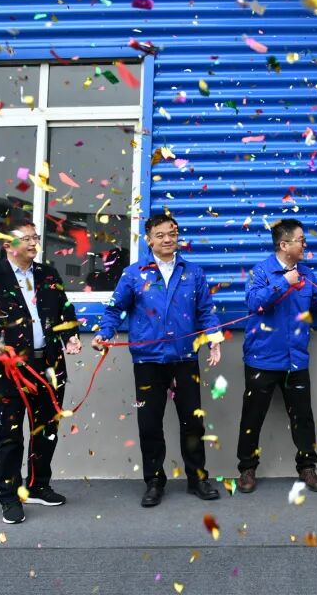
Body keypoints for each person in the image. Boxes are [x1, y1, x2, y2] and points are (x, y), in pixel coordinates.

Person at [92, 214, 222, 507]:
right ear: (148, 239)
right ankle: (154, 481)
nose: (167, 239)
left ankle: (198, 478)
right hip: (148, 361)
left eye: (172, 234)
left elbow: (206, 311)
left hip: (185, 358)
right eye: (160, 235)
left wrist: (214, 338)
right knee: (150, 424)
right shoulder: (133, 274)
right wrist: (104, 333)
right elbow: (114, 310)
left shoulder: (193, 273)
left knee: (193, 423)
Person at [0, 220, 82, 525]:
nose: (32, 242)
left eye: (34, 237)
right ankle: (9, 497)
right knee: (10, 436)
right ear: (7, 245)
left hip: (49, 365)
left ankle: (38, 486)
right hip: (11, 369)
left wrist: (71, 336)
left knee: (46, 430)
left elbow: (65, 310)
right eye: (26, 238)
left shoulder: (48, 274)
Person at [236, 218, 317, 494]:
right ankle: (247, 468)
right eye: (300, 240)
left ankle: (307, 467)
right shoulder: (261, 272)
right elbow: (254, 302)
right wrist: (283, 282)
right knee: (252, 417)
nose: (305, 245)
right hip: (261, 359)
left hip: (295, 360)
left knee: (303, 417)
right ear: (284, 245)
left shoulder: (306, 274)